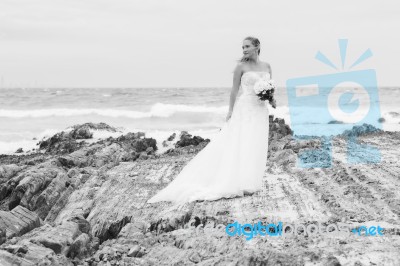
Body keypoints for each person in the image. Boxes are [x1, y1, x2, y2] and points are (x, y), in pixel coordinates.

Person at [147, 36, 272, 204]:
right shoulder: (240, 67)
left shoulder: (267, 66)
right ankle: (236, 179)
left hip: (260, 110)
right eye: (242, 47)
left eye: (247, 46)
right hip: (245, 109)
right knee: (240, 142)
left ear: (257, 46)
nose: (244, 50)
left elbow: (270, 88)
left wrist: (271, 99)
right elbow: (234, 91)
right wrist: (230, 111)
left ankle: (250, 180)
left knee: (254, 142)